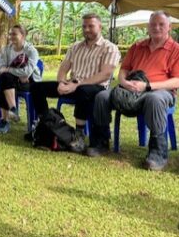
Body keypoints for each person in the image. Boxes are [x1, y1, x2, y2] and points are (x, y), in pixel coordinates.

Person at [87, 11, 179, 170]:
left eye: (161, 24)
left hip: (160, 91)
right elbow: (124, 70)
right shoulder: (137, 46)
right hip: (130, 89)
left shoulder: (176, 49)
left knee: (154, 99)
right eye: (152, 24)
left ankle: (158, 153)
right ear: (148, 27)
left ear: (169, 27)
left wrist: (148, 86)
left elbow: (176, 80)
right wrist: (124, 81)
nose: (156, 27)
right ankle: (101, 141)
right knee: (102, 96)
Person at [30, 13, 120, 150]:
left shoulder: (109, 47)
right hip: (72, 84)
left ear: (100, 27)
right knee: (37, 87)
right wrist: (61, 82)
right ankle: (46, 124)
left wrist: (76, 85)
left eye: (91, 26)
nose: (87, 29)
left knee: (83, 91)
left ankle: (79, 134)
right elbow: (63, 68)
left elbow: (105, 74)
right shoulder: (76, 47)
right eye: (84, 26)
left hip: (95, 87)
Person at [0, 25, 41, 134]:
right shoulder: (6, 50)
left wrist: (8, 69)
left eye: (14, 34)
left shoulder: (31, 51)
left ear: (23, 36)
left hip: (30, 82)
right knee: (5, 78)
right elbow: (0, 69)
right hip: (13, 80)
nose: (11, 36)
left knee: (4, 80)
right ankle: (13, 109)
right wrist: (14, 73)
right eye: (10, 34)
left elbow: (27, 72)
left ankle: (5, 121)